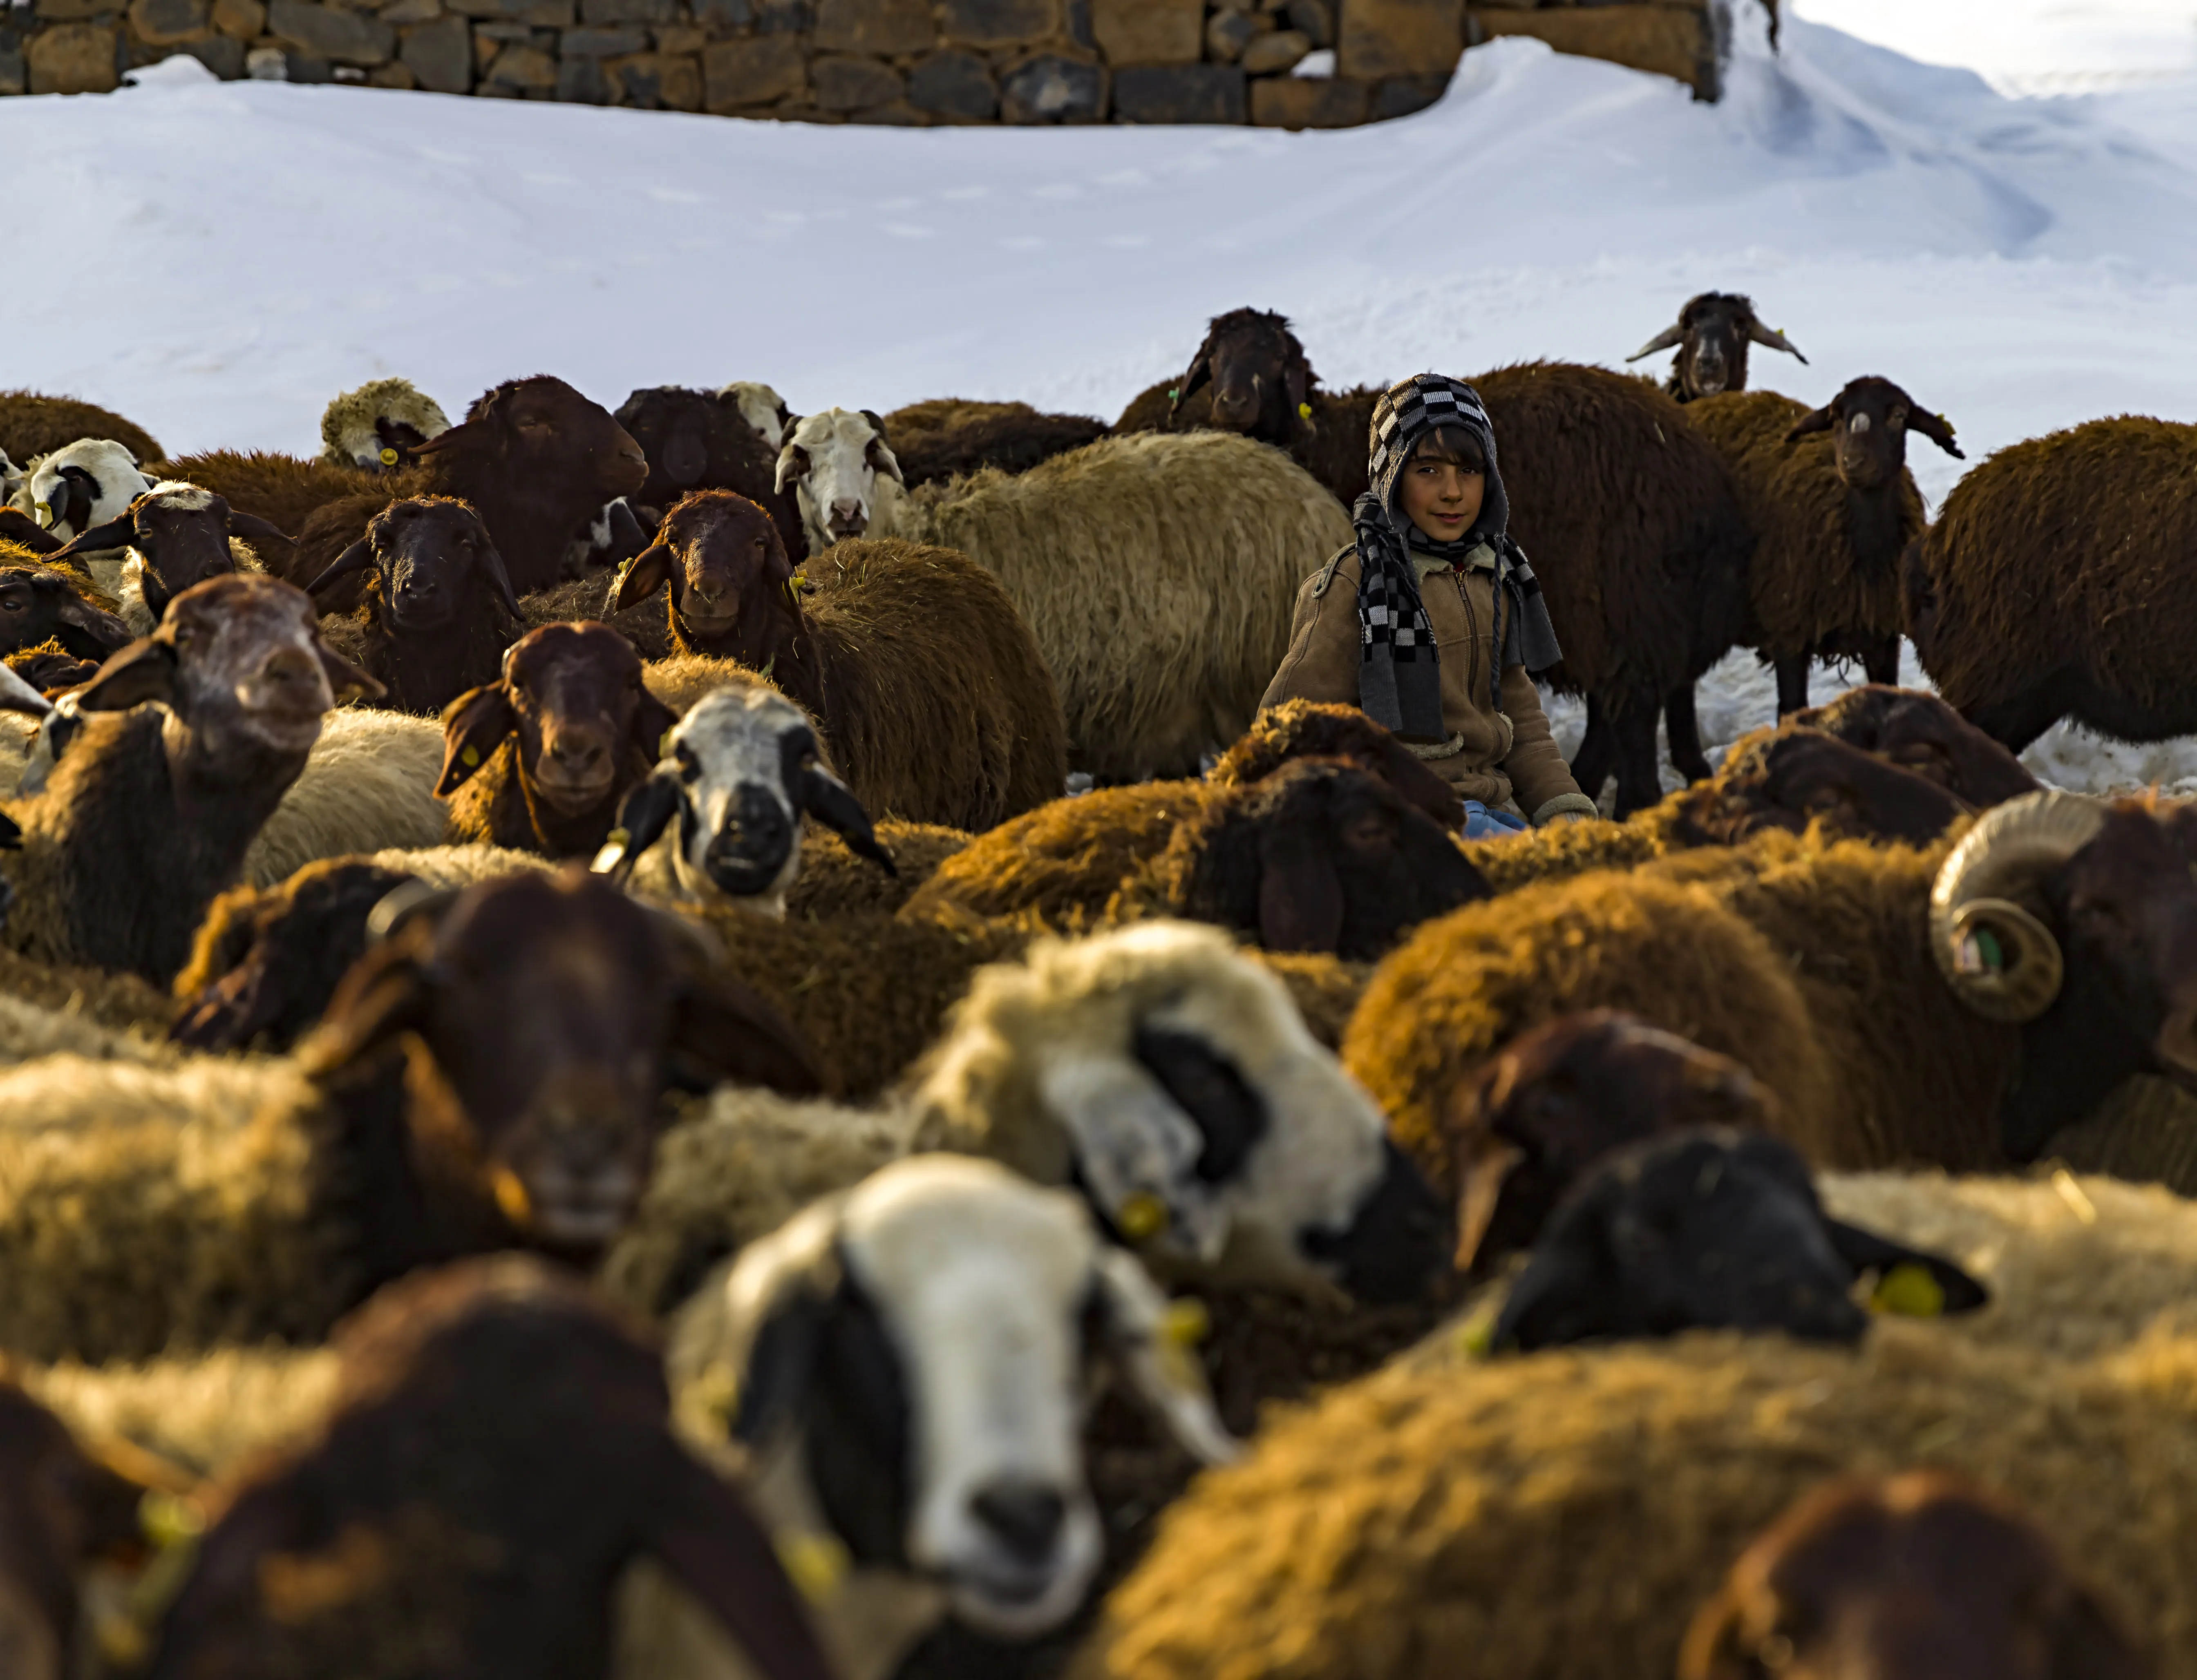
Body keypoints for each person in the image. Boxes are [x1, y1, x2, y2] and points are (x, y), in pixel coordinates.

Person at [1260, 373, 1598, 838]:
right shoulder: (1356, 583)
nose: (1453, 492)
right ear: (1391, 476)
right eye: (1428, 470)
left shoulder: (1493, 576)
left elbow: (1520, 722)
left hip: (1486, 807)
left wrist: (1565, 811)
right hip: (1402, 817)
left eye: (1469, 470)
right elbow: (1287, 724)